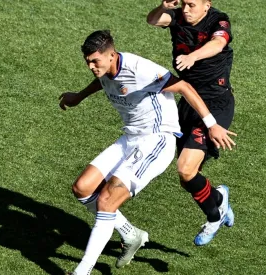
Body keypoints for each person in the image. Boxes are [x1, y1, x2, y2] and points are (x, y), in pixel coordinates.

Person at [59, 30, 235, 274]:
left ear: (112, 55)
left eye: (95, 61)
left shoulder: (138, 68)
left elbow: (183, 86)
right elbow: (103, 80)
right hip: (130, 137)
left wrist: (211, 123)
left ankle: (83, 271)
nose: (90, 66)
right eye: (87, 61)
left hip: (156, 140)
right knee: (82, 188)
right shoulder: (105, 68)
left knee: (107, 200)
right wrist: (78, 97)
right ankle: (131, 236)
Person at [146, 0, 237, 246]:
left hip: (216, 103)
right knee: (187, 176)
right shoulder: (177, 17)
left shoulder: (218, 20)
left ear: (207, 5)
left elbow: (218, 44)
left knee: (185, 168)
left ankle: (214, 216)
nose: (186, 9)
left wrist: (192, 57)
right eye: (184, 3)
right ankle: (219, 197)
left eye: (192, 5)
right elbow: (153, 20)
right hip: (188, 102)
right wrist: (162, 6)